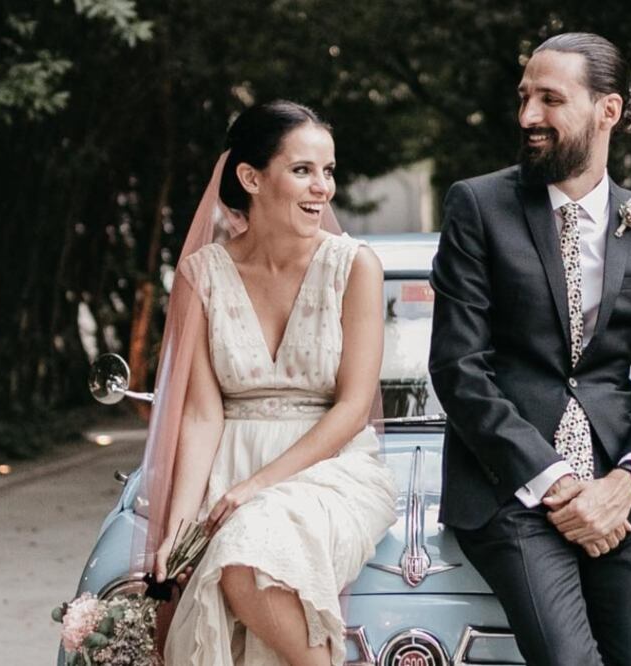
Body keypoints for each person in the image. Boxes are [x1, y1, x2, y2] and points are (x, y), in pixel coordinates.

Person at [428, 33, 631, 665]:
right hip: (510, 487)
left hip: (619, 490)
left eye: (550, 99)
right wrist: (556, 483)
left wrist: (626, 484)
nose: (528, 116)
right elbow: (458, 369)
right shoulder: (479, 206)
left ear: (607, 111)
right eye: (524, 97)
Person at [147, 100, 397, 665]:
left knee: (244, 558)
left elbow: (354, 407)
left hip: (332, 470)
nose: (322, 189)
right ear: (251, 177)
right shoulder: (200, 275)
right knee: (206, 570)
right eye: (303, 170)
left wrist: (258, 488)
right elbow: (201, 415)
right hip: (226, 469)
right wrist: (181, 526)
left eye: (328, 171)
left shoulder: (355, 266)